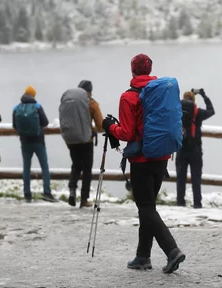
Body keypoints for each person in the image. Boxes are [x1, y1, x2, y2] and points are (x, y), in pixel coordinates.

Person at [102, 53, 185, 273]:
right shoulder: (160, 92)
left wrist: (110, 127)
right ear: (149, 70)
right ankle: (143, 256)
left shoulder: (128, 97)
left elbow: (126, 133)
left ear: (133, 70)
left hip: (140, 160)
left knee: (146, 207)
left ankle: (172, 251)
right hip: (161, 157)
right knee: (148, 207)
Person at [13, 86, 56, 203]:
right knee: (44, 167)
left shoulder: (17, 108)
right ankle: (47, 192)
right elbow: (45, 122)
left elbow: (14, 126)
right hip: (38, 141)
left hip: (25, 142)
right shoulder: (37, 106)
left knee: (26, 168)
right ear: (33, 95)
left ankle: (27, 194)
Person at [66, 80, 103, 209]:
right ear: (90, 91)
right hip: (87, 141)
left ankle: (72, 190)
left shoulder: (71, 103)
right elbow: (100, 124)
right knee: (87, 170)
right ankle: (83, 199)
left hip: (72, 140)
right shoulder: (91, 104)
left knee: (75, 166)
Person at [176, 89, 215, 208]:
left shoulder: (177, 110)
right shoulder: (197, 112)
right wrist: (204, 95)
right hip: (195, 150)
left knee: (180, 179)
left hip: (181, 149)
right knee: (196, 179)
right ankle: (197, 204)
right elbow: (211, 111)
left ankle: (180, 203)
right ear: (193, 100)